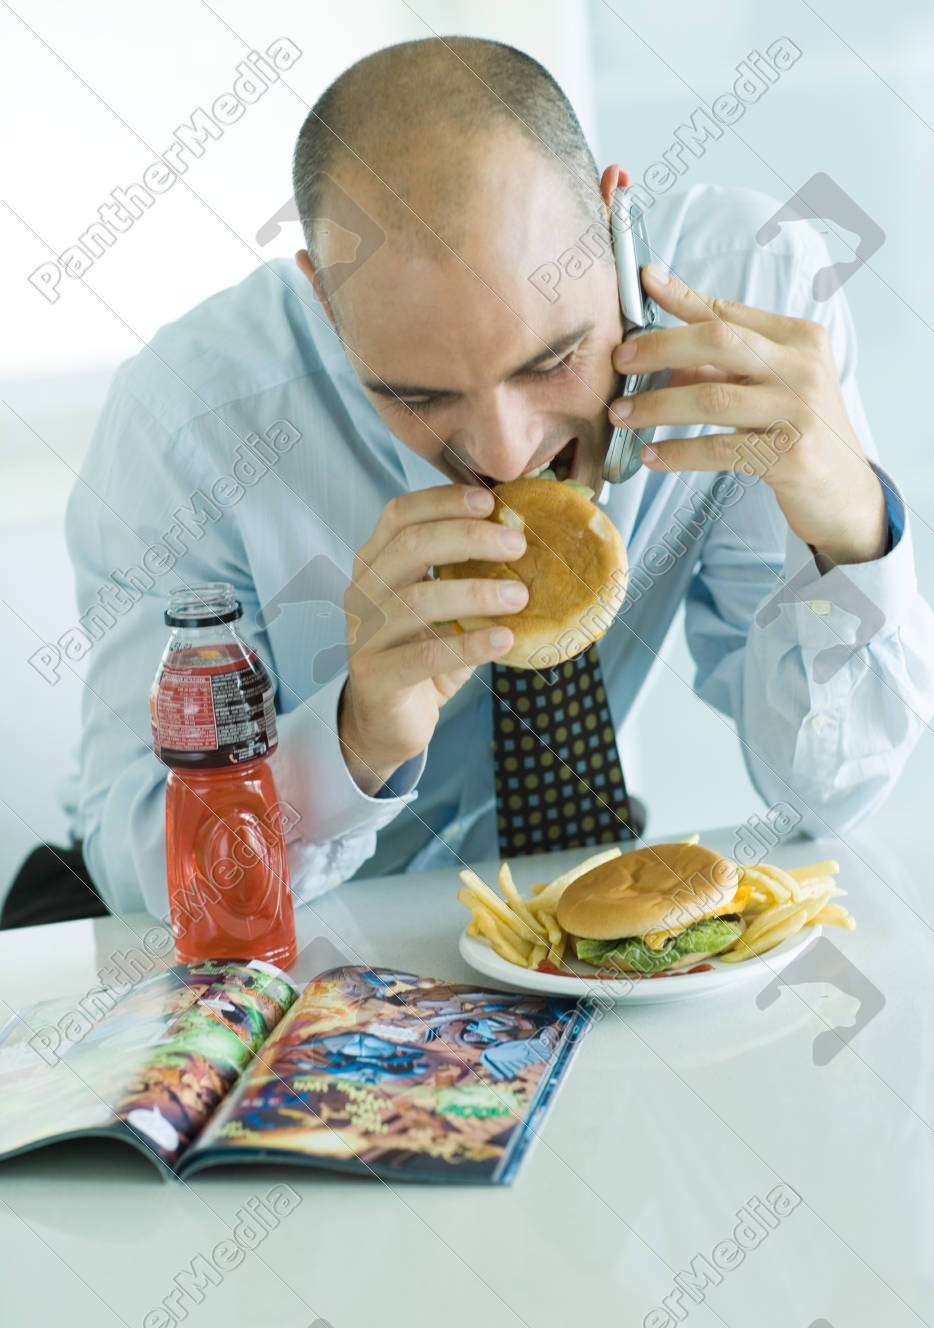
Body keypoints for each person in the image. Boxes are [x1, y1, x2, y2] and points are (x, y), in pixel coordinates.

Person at [14, 35, 933, 926]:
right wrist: (354, 740)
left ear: (615, 225)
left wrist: (849, 532)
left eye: (555, 359)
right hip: (300, 944)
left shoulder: (750, 312)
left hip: (573, 905)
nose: (503, 451)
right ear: (326, 300)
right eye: (419, 394)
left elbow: (830, 792)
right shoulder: (187, 424)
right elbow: (145, 877)